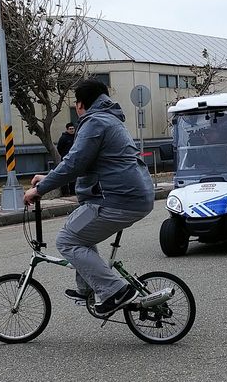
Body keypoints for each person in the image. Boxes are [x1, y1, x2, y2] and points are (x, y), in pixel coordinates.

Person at [24, 79, 154, 317]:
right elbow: (85, 164)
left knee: (66, 241)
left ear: (81, 104)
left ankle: (116, 291)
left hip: (117, 199)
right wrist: (48, 178)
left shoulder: (95, 122)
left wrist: (39, 191)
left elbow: (74, 163)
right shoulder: (109, 119)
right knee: (79, 230)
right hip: (129, 196)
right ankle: (87, 289)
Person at [56, 123, 77, 196]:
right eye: (70, 129)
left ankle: (73, 192)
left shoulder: (76, 137)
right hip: (65, 159)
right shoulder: (64, 138)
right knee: (64, 176)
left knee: (73, 176)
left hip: (74, 159)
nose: (72, 130)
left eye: (73, 129)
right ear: (67, 129)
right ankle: (65, 192)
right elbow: (59, 148)